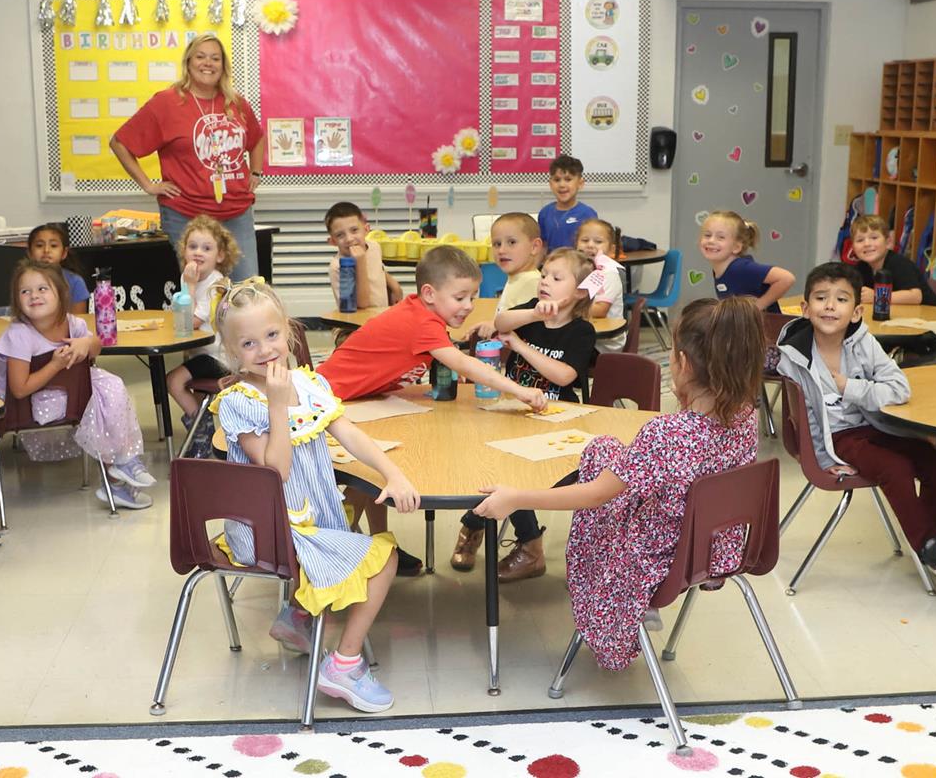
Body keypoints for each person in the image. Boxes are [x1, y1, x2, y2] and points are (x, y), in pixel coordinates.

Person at [471, 297, 762, 672]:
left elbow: (595, 495)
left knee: (599, 480)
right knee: (603, 449)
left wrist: (515, 498)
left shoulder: (668, 433)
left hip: (663, 556)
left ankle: (623, 601)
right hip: (712, 543)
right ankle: (632, 601)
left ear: (683, 363)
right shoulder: (744, 416)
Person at [206, 280, 418, 713]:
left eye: (271, 335)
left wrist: (392, 473)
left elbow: (350, 433)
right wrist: (278, 406)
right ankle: (344, 663)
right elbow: (275, 469)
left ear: (288, 331)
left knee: (350, 535)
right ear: (231, 351)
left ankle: (298, 617)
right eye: (248, 343)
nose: (265, 350)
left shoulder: (311, 382)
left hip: (308, 518)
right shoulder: (236, 401)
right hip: (267, 530)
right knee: (385, 558)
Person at [317, 246, 549, 573]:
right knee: (363, 477)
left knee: (369, 476)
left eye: (473, 297)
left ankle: (380, 544)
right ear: (428, 293)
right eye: (460, 298)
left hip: (354, 402)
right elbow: (465, 364)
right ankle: (346, 543)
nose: (468, 306)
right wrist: (520, 391)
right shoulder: (421, 322)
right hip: (323, 401)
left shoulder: (423, 315)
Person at [770, 262, 936, 574]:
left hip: (875, 425)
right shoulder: (793, 356)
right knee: (895, 468)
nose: (830, 306)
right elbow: (805, 421)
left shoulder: (864, 342)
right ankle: (927, 544)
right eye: (820, 298)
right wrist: (822, 458)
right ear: (805, 308)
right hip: (838, 439)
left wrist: (851, 387)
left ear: (856, 312)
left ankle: (930, 543)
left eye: (841, 299)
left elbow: (899, 389)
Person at [454, 248, 599, 583]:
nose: (545, 281)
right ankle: (481, 524)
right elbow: (501, 322)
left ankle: (509, 537)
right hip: (513, 410)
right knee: (484, 458)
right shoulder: (531, 314)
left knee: (513, 474)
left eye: (556, 278)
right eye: (544, 274)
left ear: (578, 292)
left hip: (556, 416)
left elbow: (564, 376)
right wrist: (534, 315)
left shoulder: (581, 330)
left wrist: (519, 347)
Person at [0, 261, 155, 511]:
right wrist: (55, 365)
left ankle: (121, 467)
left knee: (111, 387)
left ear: (61, 293)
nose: (34, 295)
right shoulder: (19, 334)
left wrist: (86, 344)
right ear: (16, 300)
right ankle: (118, 472)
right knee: (103, 398)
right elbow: (20, 389)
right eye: (25, 291)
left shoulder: (73, 324)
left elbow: (97, 345)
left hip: (73, 404)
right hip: (32, 408)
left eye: (42, 289)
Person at [109, 33, 262, 280]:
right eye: (200, 57)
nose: (207, 63)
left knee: (246, 289)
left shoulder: (236, 103)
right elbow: (119, 142)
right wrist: (148, 185)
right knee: (197, 290)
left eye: (215, 58)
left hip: (236, 211)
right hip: (187, 213)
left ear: (223, 65)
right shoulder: (166, 103)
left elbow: (257, 138)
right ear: (188, 63)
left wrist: (255, 171)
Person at [164, 214, 239, 423]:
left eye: (207, 248)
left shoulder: (216, 284)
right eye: (192, 246)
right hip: (201, 354)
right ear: (183, 251)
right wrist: (189, 284)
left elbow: (188, 323)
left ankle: (201, 429)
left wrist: (190, 286)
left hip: (219, 357)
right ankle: (200, 429)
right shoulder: (188, 278)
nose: (198, 253)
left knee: (173, 381)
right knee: (193, 387)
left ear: (220, 256)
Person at [699, 211, 793, 312]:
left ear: (736, 247)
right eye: (707, 235)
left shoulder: (741, 268)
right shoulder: (719, 269)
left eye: (721, 237)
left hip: (765, 325)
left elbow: (787, 278)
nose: (711, 241)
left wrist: (758, 307)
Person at [850, 214, 936, 307]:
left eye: (874, 238)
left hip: (930, 315)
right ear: (853, 247)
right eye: (860, 240)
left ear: (888, 242)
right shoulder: (861, 267)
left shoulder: (898, 263)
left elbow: (916, 296)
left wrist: (876, 296)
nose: (867, 244)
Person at [325, 201, 401, 311]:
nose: (349, 239)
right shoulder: (337, 266)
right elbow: (362, 304)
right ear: (333, 241)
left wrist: (394, 286)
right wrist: (360, 262)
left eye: (354, 230)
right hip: (355, 323)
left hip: (382, 316)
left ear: (366, 230)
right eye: (340, 235)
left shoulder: (374, 246)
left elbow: (378, 269)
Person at [481, 213, 545, 329]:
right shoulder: (517, 278)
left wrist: (495, 327)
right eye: (497, 244)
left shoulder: (532, 282)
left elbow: (526, 328)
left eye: (511, 242)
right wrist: (490, 324)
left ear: (534, 247)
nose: (501, 250)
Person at [574, 217, 627, 352]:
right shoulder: (579, 270)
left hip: (604, 344)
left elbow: (599, 310)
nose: (590, 245)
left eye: (598, 242)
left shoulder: (608, 273)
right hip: (585, 332)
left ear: (611, 249)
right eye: (585, 240)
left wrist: (567, 307)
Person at [538, 154, 599, 253]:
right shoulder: (545, 213)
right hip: (551, 266)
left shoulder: (587, 214)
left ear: (580, 183)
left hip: (578, 266)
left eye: (568, 179)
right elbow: (542, 246)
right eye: (557, 180)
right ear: (550, 184)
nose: (562, 185)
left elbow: (592, 249)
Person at [27, 222, 90, 314]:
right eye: (39, 245)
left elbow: (79, 320)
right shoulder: (23, 281)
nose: (46, 250)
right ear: (30, 253)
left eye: (53, 246)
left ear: (64, 253)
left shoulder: (75, 282)